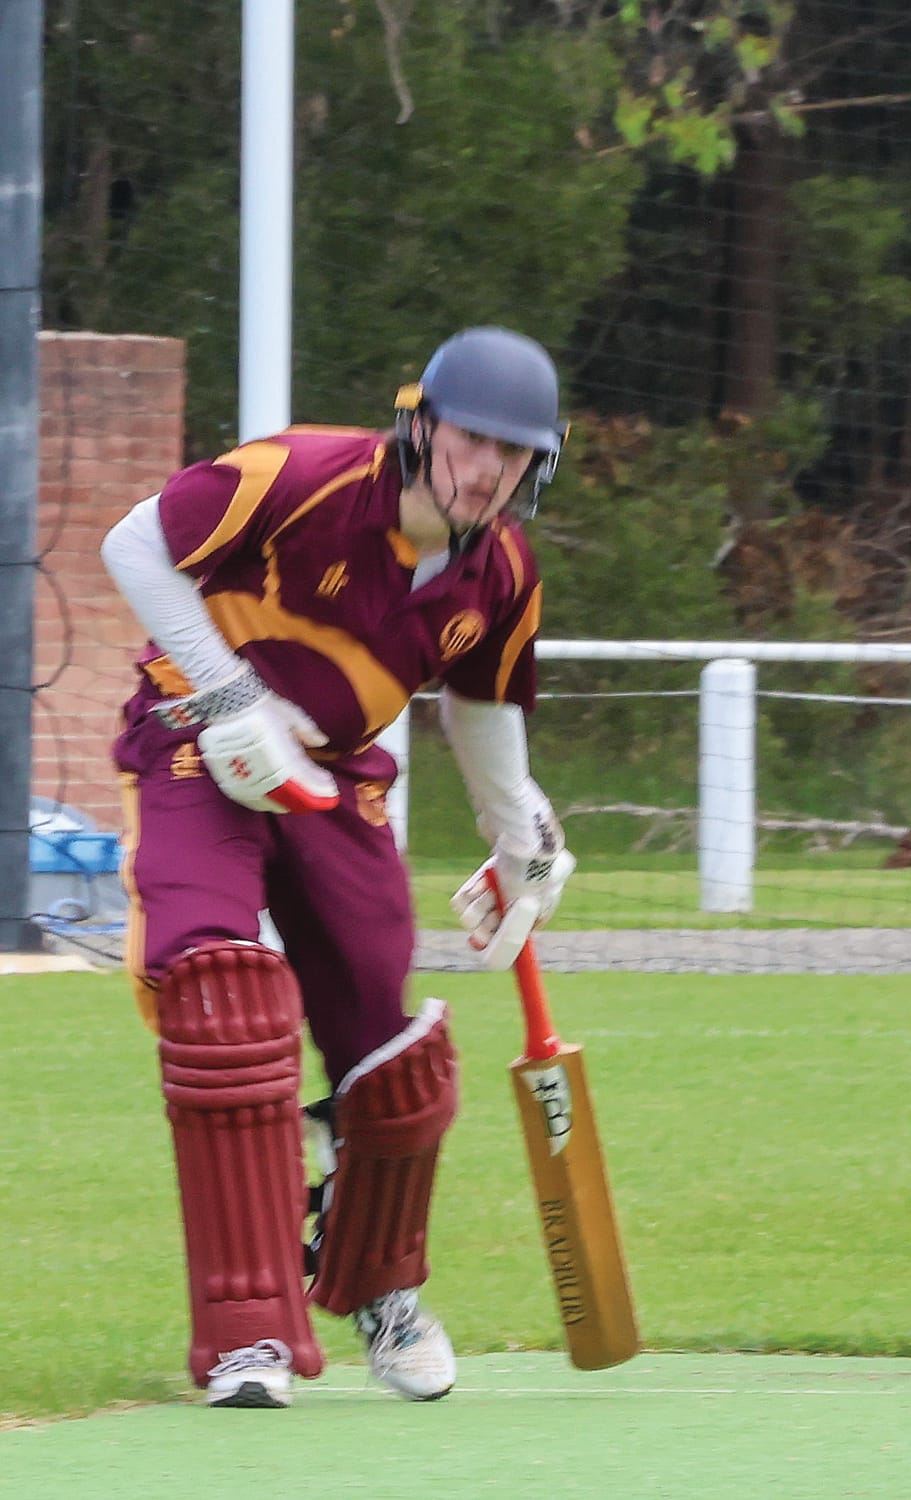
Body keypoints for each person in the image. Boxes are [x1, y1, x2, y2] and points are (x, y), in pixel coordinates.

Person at [101, 326, 579, 1409]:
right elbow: (134, 544)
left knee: (391, 1061)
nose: (487, 472)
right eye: (470, 443)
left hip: (335, 783)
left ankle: (376, 1284)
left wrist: (521, 836)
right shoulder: (301, 474)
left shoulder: (502, 572)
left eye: (514, 455)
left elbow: (484, 712)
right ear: (420, 428)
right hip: (194, 740)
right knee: (222, 995)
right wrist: (228, 694)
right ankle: (242, 1340)